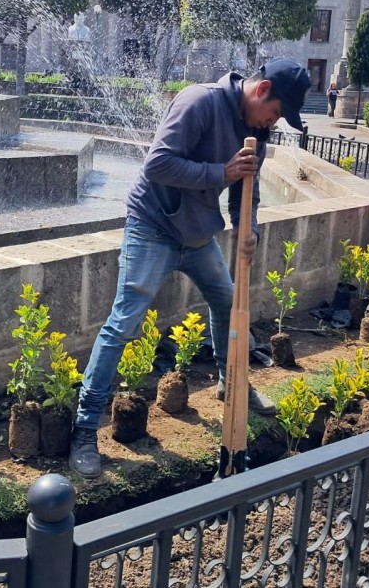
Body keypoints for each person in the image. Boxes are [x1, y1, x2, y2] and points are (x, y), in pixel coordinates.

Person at [69, 58, 312, 478]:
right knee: (125, 321)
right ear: (262, 88)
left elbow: (245, 192)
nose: (273, 124)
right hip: (154, 227)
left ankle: (230, 382)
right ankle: (85, 427)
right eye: (275, 113)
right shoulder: (198, 102)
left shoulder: (256, 132)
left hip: (198, 235)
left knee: (226, 299)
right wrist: (221, 171)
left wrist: (248, 227)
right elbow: (157, 164)